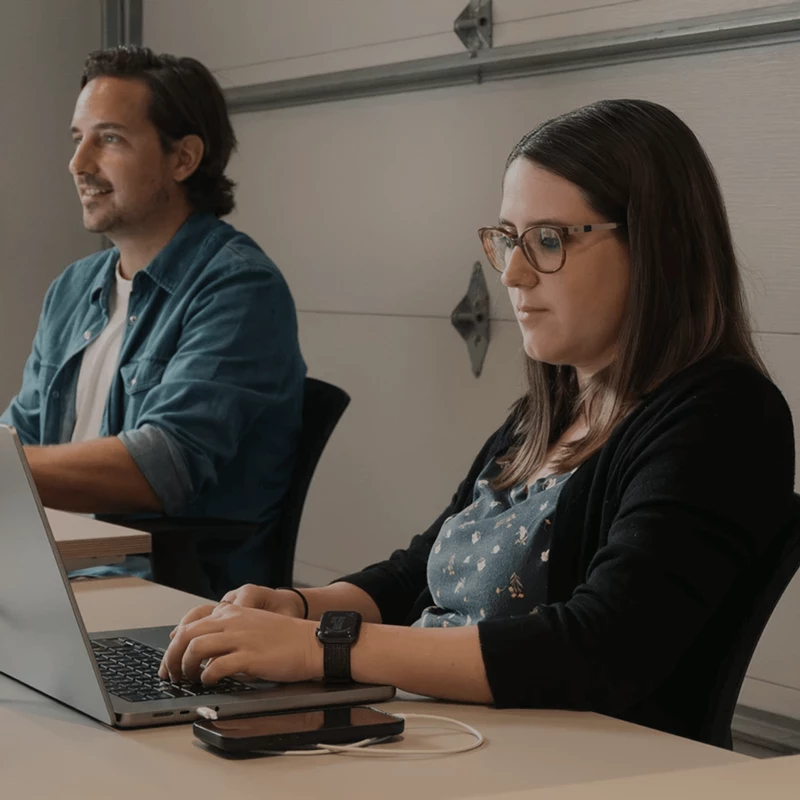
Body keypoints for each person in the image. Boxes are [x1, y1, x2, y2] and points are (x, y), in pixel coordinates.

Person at [160, 99, 796, 741]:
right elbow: (420, 571)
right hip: (448, 736)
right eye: (508, 240)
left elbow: (599, 648)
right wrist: (298, 607)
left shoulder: (725, 419)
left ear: (655, 245)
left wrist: (323, 647)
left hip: (563, 770)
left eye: (548, 240)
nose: (513, 274)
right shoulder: (550, 408)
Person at [0, 46, 306, 592]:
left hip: (157, 597)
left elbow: (164, 464)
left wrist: (7, 469)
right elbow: (18, 437)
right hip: (49, 576)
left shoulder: (240, 287)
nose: (79, 165)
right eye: (78, 139)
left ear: (183, 159)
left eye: (109, 139)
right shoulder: (72, 288)